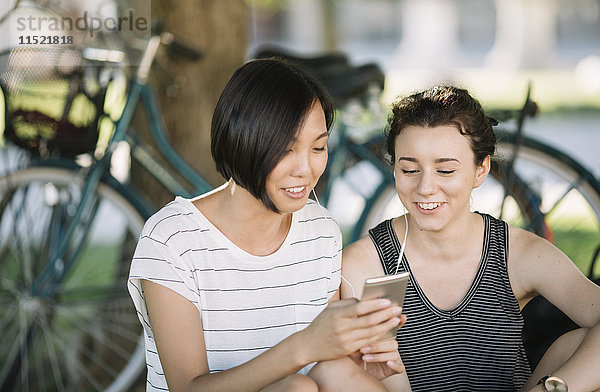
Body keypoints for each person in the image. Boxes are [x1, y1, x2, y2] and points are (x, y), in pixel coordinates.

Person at [128, 58, 411, 392]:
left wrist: (362, 362)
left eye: (319, 147)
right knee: (297, 389)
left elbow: (324, 364)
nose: (306, 169)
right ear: (242, 139)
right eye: (286, 149)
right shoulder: (173, 239)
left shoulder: (320, 230)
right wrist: (303, 346)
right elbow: (188, 388)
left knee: (336, 374)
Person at [341, 85, 600, 392]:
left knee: (579, 344)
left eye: (446, 170)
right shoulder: (363, 264)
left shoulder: (517, 253)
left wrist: (551, 388)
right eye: (409, 169)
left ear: (481, 170)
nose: (425, 187)